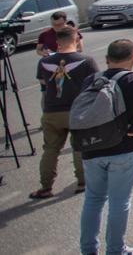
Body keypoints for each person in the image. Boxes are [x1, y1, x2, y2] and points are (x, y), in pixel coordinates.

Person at [78, 39, 133, 255]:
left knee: (93, 199)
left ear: (107, 59)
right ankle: (116, 250)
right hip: (125, 148)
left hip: (91, 147)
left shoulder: (91, 79)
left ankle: (88, 250)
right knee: (119, 201)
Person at [29, 27, 98, 200]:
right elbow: (96, 85)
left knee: (50, 149)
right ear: (75, 39)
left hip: (52, 111)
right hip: (77, 110)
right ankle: (82, 182)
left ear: (57, 42)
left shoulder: (44, 62)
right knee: (79, 146)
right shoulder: (86, 60)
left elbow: (42, 81)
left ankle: (45, 187)